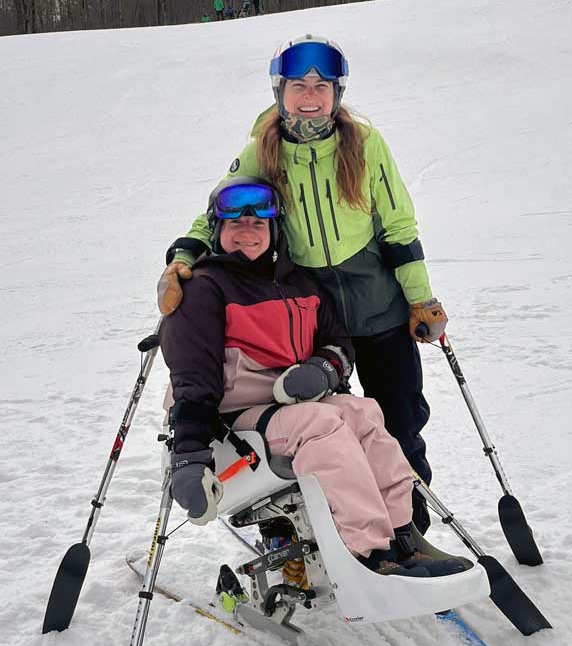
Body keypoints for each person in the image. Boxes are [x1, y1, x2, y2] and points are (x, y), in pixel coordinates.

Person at [158, 35, 448, 535]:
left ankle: (410, 531)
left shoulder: (367, 144)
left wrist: (420, 298)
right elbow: (223, 208)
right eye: (298, 85)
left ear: (337, 92)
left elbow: (399, 228)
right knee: (332, 430)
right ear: (280, 91)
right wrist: (183, 257)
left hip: (378, 305)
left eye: (321, 85)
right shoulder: (262, 150)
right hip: (314, 313)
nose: (310, 95)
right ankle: (340, 532)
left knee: (397, 422)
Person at [160, 178, 463, 584]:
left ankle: (403, 537)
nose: (247, 233)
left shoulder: (299, 281)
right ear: (217, 231)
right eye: (235, 225)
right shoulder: (203, 288)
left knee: (363, 412)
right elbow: (192, 379)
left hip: (290, 406)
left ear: (275, 232)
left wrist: (322, 370)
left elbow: (338, 344)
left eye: (258, 225)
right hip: (234, 422)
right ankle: (370, 552)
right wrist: (189, 456)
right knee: (323, 426)